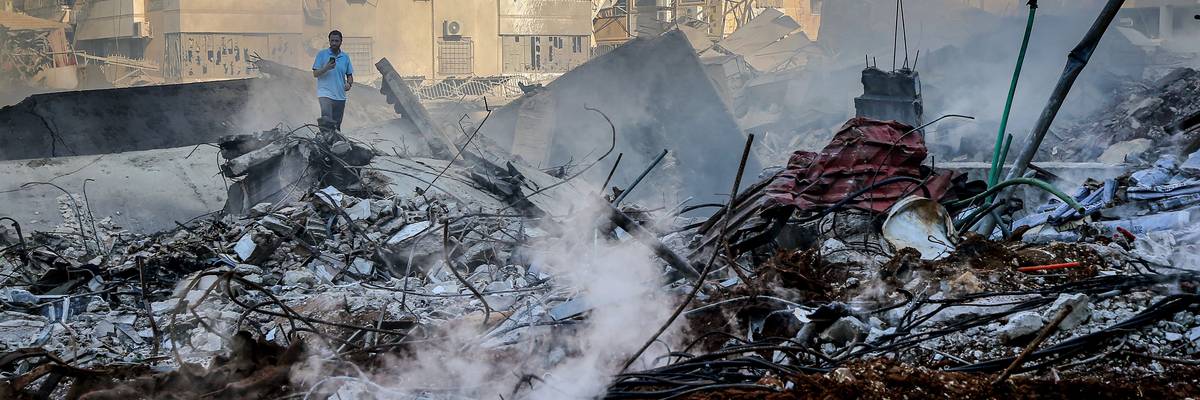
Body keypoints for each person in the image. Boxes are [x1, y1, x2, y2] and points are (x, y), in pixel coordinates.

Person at [313, 30, 354, 131]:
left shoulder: (345, 57)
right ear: (329, 41)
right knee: (326, 122)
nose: (334, 43)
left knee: (336, 127)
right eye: (332, 41)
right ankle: (324, 141)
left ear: (341, 41)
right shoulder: (321, 54)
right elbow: (315, 73)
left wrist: (349, 84)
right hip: (325, 93)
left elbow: (349, 75)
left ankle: (334, 145)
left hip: (340, 96)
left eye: (336, 41)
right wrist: (326, 67)